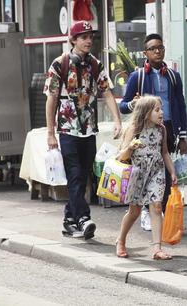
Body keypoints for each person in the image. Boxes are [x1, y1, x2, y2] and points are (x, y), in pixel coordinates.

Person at [44, 21, 122, 239]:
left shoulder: (95, 64)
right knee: (75, 175)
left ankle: (69, 219)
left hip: (89, 129)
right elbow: (51, 100)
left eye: (91, 37)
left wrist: (117, 120)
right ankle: (83, 218)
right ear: (73, 40)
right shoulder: (60, 64)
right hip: (67, 130)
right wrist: (51, 133)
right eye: (83, 37)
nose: (89, 41)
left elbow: (106, 93)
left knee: (84, 174)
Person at [119, 33, 187, 230]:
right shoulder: (138, 76)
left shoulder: (174, 76)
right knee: (143, 170)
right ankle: (145, 211)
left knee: (164, 171)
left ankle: (158, 208)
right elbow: (123, 106)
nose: (158, 51)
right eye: (153, 48)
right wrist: (134, 103)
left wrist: (183, 136)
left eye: (160, 47)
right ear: (145, 53)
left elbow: (181, 105)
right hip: (144, 130)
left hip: (167, 128)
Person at [115, 95, 177, 260]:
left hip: (156, 171)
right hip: (137, 173)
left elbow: (164, 152)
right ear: (146, 112)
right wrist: (130, 147)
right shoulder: (134, 129)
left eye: (161, 109)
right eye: (157, 110)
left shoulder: (161, 129)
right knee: (134, 211)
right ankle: (121, 240)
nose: (161, 113)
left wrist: (172, 171)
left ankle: (157, 248)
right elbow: (121, 156)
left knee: (156, 206)